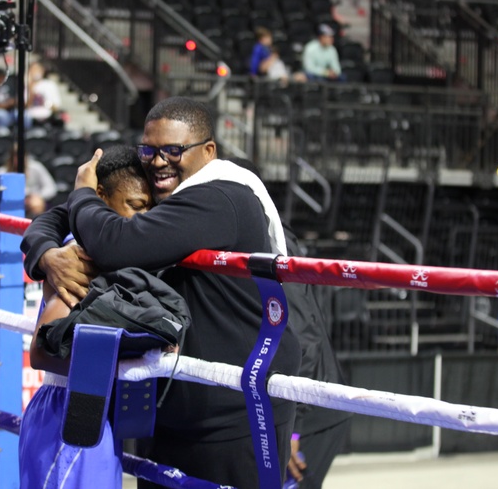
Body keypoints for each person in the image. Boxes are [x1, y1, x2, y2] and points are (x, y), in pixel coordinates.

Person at [22, 96, 300, 488]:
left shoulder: (220, 196)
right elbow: (59, 216)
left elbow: (117, 243)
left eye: (173, 149)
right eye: (149, 150)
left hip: (232, 412)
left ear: (207, 151)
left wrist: (83, 193)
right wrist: (46, 253)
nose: (157, 161)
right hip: (166, 404)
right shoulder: (166, 196)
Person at [20, 145, 155, 489]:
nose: (141, 220)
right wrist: (133, 362)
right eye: (135, 206)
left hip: (89, 409)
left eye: (149, 210)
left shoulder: (111, 254)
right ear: (99, 197)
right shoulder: (80, 255)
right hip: (70, 413)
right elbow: (43, 350)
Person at [225, 158, 349, 489]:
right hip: (290, 408)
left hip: (310, 415)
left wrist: (294, 429)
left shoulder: (271, 242)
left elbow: (303, 336)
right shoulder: (248, 237)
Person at [27, 60, 64, 126]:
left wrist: (46, 103)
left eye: (37, 69)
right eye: (32, 70)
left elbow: (56, 106)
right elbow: (25, 105)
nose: (34, 72)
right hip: (28, 117)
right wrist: (31, 88)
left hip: (46, 117)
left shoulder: (49, 85)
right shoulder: (26, 85)